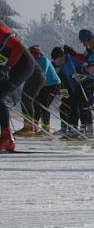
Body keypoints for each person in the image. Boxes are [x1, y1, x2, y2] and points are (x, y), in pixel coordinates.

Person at [0, 21, 37, 151]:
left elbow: (17, 47)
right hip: (11, 66)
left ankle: (7, 138)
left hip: (23, 65)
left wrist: (8, 65)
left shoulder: (0, 30)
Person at [13, 47, 45, 137]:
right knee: (24, 100)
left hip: (36, 75)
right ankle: (28, 126)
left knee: (27, 100)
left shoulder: (23, 55)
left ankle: (30, 127)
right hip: (31, 75)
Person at [30, 46, 62, 134]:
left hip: (53, 84)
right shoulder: (34, 61)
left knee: (44, 104)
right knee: (36, 104)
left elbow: (42, 74)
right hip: (44, 85)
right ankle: (34, 126)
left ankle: (46, 128)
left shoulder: (43, 59)